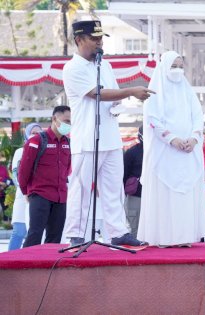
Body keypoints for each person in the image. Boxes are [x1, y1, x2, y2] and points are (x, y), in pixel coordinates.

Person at [62, 20, 152, 247]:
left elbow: (113, 96)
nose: (100, 43)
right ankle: (76, 234)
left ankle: (117, 232)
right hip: (86, 140)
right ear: (79, 40)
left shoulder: (106, 66)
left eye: (101, 38)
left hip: (110, 138)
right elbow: (97, 93)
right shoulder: (72, 68)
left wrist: (119, 104)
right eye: (95, 39)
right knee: (81, 191)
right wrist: (131, 91)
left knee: (113, 189)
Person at [138, 51, 205, 247]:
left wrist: (194, 138)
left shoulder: (188, 91)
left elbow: (198, 117)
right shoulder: (155, 92)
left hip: (188, 152)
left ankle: (185, 237)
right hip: (165, 152)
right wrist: (172, 139)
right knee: (165, 196)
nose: (177, 70)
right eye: (173, 66)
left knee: (185, 196)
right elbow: (153, 119)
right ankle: (164, 238)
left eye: (180, 66)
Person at [19, 106, 71, 247]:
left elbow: (68, 169)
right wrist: (26, 192)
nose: (69, 124)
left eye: (71, 121)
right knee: (35, 235)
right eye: (66, 120)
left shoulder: (69, 143)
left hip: (61, 197)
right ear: (54, 119)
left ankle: (49, 268)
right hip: (40, 195)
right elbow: (24, 170)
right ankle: (25, 266)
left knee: (55, 240)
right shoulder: (36, 141)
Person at [8, 123, 42, 250]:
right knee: (19, 232)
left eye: (38, 133)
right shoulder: (20, 151)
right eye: (33, 133)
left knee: (32, 233)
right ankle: (8, 262)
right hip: (24, 197)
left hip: (38, 197)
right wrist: (26, 191)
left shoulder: (43, 152)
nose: (36, 136)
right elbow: (16, 174)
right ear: (27, 134)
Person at [123, 126, 143, 238]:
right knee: (135, 228)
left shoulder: (159, 152)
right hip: (135, 195)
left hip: (155, 196)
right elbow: (124, 174)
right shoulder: (131, 152)